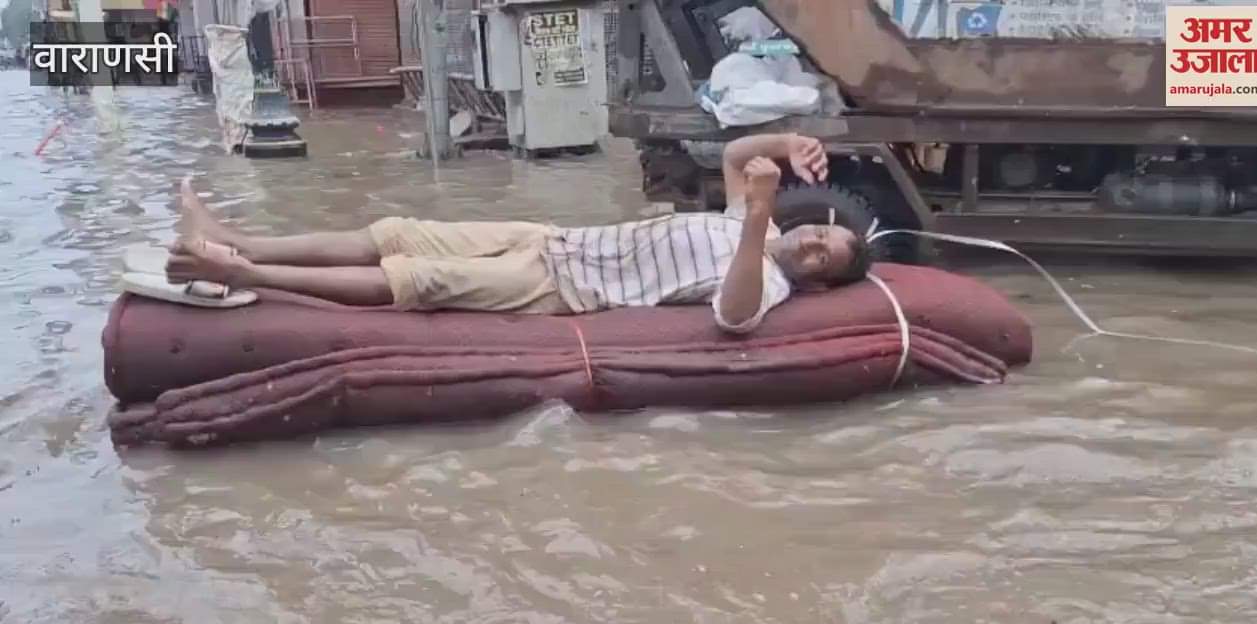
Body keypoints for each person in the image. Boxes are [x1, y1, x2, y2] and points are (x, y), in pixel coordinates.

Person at [167, 133, 870, 334]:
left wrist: (758, 219)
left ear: (816, 282)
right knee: (398, 229)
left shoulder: (768, 280)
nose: (812, 246)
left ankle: (246, 273)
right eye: (820, 236)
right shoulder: (754, 222)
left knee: (421, 279)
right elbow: (736, 157)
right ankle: (241, 239)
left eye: (822, 259)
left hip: (561, 287)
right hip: (554, 237)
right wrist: (787, 141)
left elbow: (732, 315)